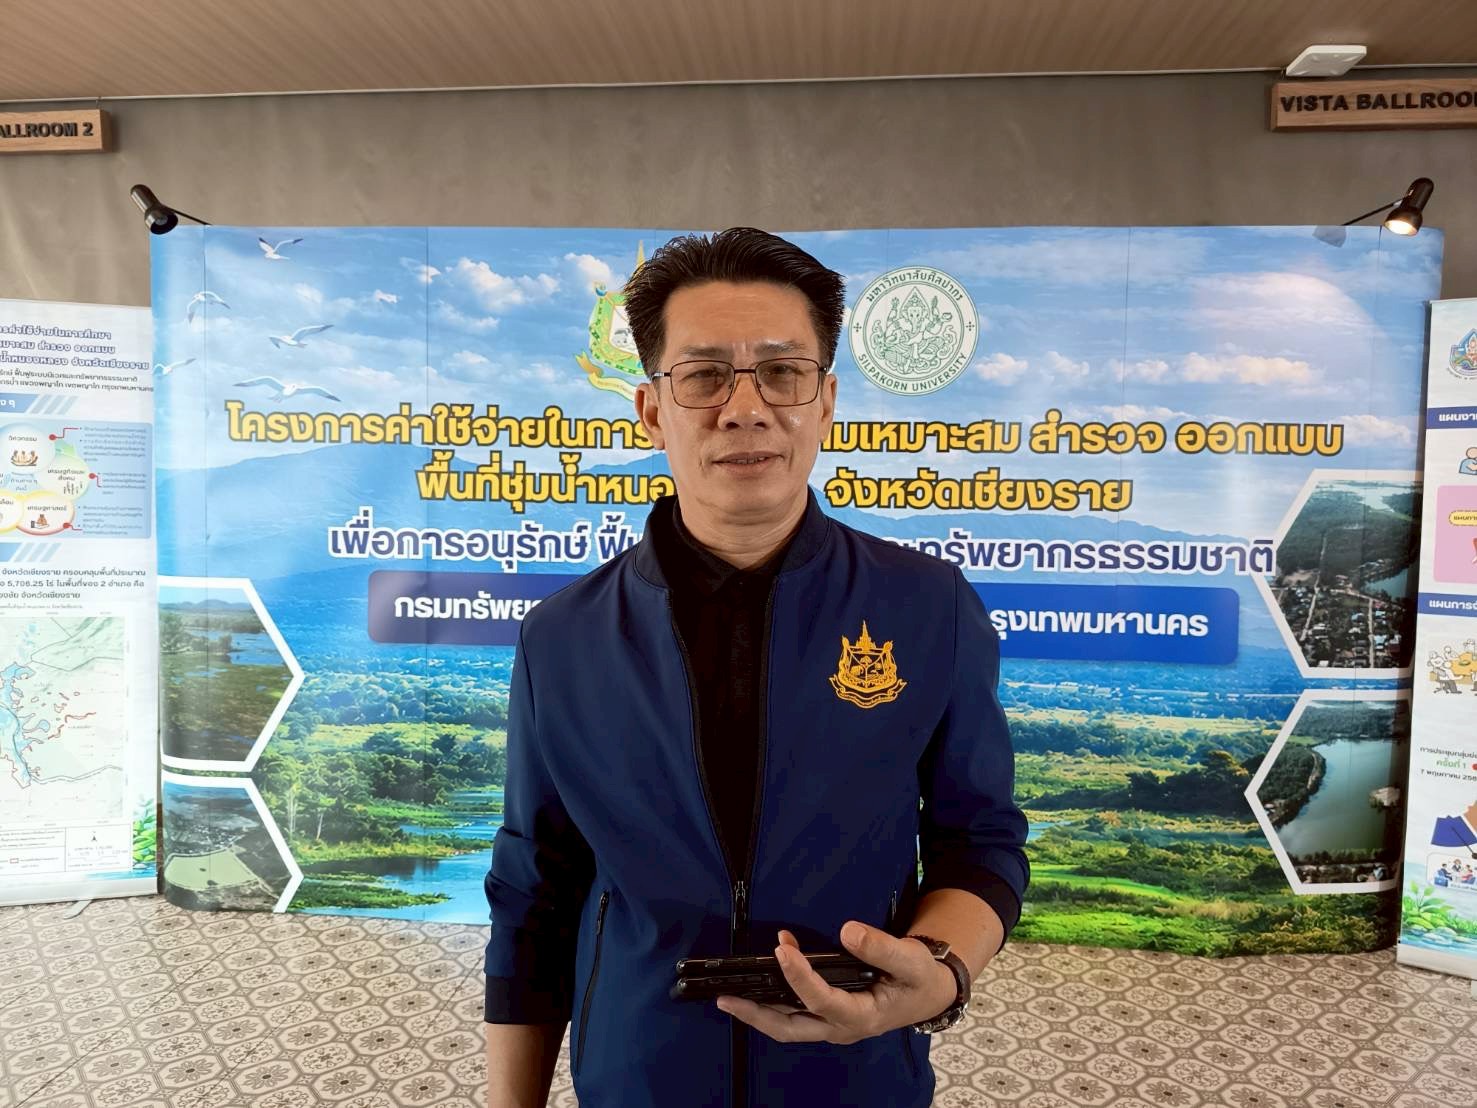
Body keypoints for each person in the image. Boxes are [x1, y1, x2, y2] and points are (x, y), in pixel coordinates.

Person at [483, 228, 1029, 1108]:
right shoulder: (563, 637)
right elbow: (532, 894)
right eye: (703, 376)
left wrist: (940, 971)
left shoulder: (927, 606)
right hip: (636, 1075)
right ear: (651, 409)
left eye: (781, 372)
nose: (745, 408)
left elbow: (981, 840)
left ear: (825, 400)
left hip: (855, 1077)